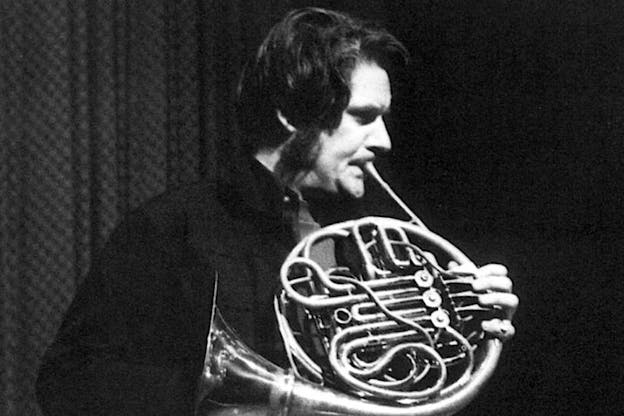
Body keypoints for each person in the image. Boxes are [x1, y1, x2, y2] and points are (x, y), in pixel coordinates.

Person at [37, 7, 518, 416]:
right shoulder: (173, 227)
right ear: (294, 110)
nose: (384, 141)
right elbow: (68, 381)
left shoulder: (357, 241)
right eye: (364, 117)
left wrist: (465, 314)